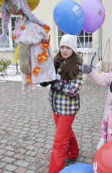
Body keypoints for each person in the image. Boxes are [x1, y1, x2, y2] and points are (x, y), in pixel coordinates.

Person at [0, 0, 56, 93]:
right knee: (30, 67)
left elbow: (38, 37)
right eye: (9, 9)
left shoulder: (31, 25)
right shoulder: (19, 24)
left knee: (38, 64)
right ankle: (41, 78)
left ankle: (45, 78)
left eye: (15, 7)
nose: (13, 11)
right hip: (28, 54)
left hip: (35, 52)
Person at [43, 34, 83, 173]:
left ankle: (55, 170)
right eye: (62, 47)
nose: (64, 50)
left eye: (68, 47)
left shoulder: (77, 66)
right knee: (67, 132)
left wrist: (55, 82)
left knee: (59, 143)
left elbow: (73, 90)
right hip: (56, 107)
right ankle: (73, 152)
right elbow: (48, 75)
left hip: (68, 109)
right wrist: (45, 80)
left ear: (73, 49)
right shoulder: (57, 61)